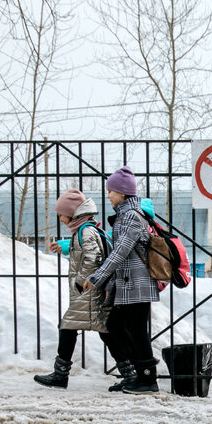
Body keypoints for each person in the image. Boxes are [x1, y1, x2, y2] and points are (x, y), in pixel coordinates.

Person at [83, 165, 160, 394]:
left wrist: (97, 277)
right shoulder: (125, 216)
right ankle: (138, 374)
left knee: (134, 330)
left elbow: (120, 252)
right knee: (117, 325)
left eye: (111, 191)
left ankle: (147, 379)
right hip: (128, 284)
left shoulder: (131, 217)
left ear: (123, 193)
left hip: (137, 284)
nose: (108, 195)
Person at [33, 190, 110, 388]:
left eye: (61, 213)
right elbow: (86, 249)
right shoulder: (84, 230)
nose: (59, 218)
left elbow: (93, 258)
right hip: (86, 290)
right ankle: (129, 372)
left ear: (71, 212)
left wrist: (81, 280)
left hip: (87, 290)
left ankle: (60, 375)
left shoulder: (85, 231)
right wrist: (65, 247)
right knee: (103, 331)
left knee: (69, 327)